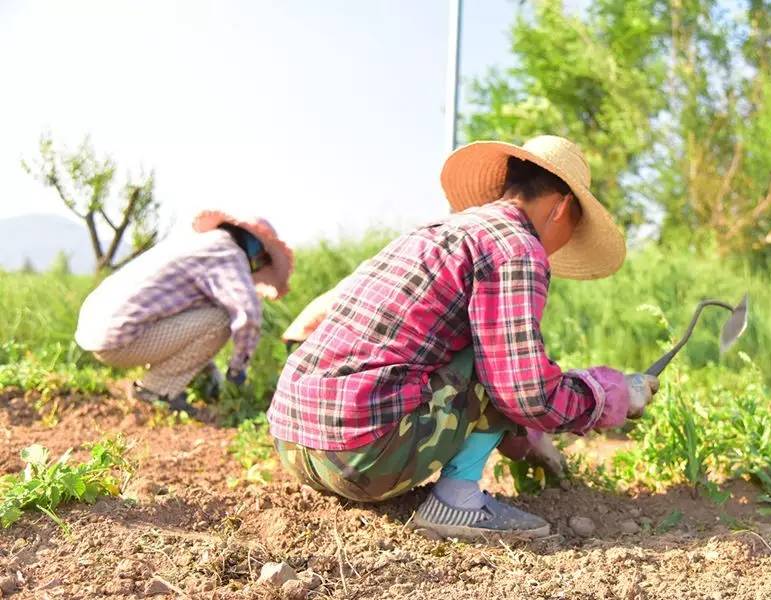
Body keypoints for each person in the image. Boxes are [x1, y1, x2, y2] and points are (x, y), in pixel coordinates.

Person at [270, 135, 659, 539]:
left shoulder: (435, 232)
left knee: (488, 339)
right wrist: (613, 394)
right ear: (561, 208)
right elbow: (522, 389)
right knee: (499, 350)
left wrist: (528, 436)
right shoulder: (517, 247)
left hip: (294, 443)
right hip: (360, 458)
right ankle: (456, 501)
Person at [74, 210, 294, 414]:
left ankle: (194, 381)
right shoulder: (228, 253)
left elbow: (184, 323)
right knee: (221, 319)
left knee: (209, 312)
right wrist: (238, 370)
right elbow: (247, 315)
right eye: (262, 260)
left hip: (100, 333)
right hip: (119, 342)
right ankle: (155, 390)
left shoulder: (202, 245)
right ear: (255, 248)